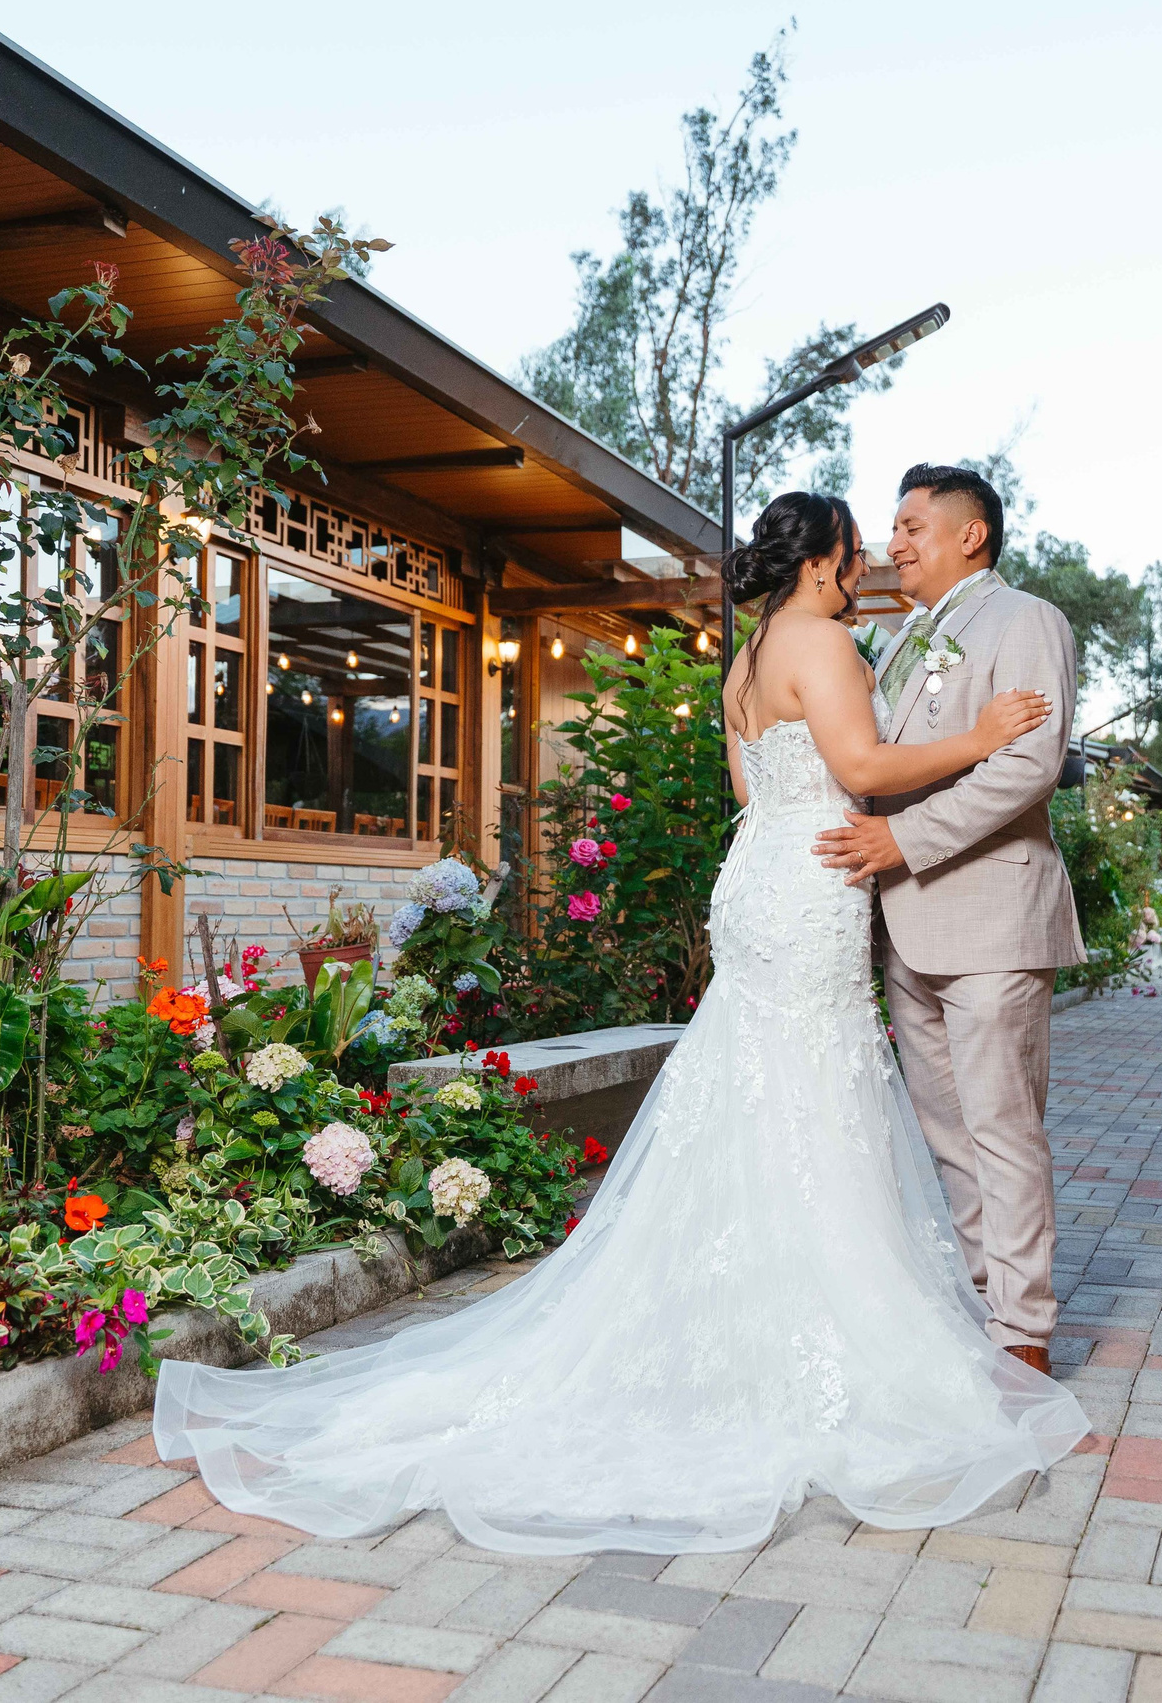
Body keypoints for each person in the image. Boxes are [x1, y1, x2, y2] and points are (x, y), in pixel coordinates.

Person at [152, 490, 1089, 1555]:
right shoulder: (826, 642)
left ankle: (796, 1310)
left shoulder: (748, 661)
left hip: (767, 879)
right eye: (858, 546)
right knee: (813, 1096)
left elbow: (754, 784)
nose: (872, 556)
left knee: (764, 1091)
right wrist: (973, 733)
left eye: (901, 534)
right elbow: (866, 772)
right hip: (818, 883)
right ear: (822, 561)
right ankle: (827, 1320)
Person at [814, 463, 1085, 1375]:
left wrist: (904, 842)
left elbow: (1028, 767)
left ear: (971, 534)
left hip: (993, 912)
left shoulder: (1028, 621)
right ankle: (986, 1298)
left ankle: (1024, 1329)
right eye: (893, 529)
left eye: (910, 525)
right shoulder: (891, 642)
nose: (893, 544)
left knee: (1003, 1126)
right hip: (904, 923)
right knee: (946, 1131)